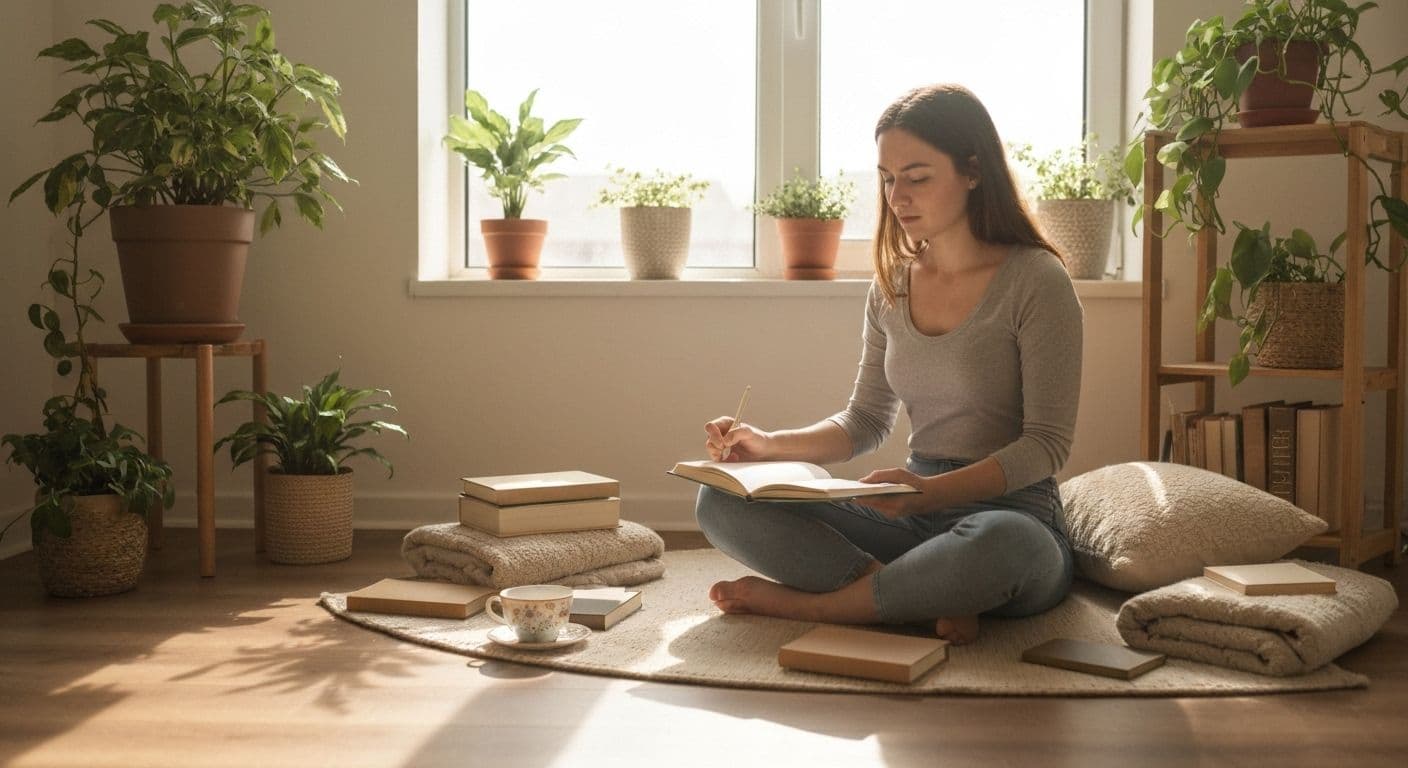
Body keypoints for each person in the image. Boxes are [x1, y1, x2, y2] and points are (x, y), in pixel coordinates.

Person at [694, 84, 1083, 645]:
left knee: (1004, 544)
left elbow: (1047, 444)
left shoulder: (1037, 282)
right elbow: (866, 420)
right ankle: (910, 600)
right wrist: (768, 443)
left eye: (917, 176)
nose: (897, 196)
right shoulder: (892, 284)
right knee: (721, 499)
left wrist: (933, 494)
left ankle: (824, 608)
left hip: (1010, 518)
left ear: (973, 170)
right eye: (887, 177)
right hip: (906, 515)